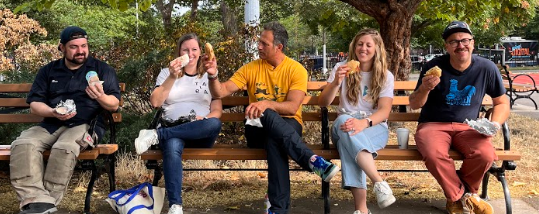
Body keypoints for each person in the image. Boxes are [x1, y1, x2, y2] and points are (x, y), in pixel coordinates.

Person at [203, 21, 340, 214]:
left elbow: (293, 107)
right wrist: (213, 74)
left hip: (289, 125)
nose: (258, 46)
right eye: (259, 42)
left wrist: (266, 104)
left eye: (264, 43)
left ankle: (278, 210)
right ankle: (310, 160)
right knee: (268, 123)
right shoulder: (251, 68)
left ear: (279, 47)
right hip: (255, 129)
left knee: (274, 139)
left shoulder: (296, 69)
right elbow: (221, 91)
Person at [9, 26, 121, 214]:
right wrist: (53, 112)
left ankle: (46, 204)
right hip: (51, 123)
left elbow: (114, 104)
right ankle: (36, 201)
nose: (80, 51)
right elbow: (35, 104)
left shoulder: (102, 69)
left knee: (65, 147)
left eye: (84, 46)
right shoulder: (48, 71)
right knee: (23, 144)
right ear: (61, 48)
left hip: (86, 124)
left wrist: (100, 96)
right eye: (74, 47)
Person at [409, 21, 510, 214]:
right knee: (433, 154)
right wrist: (425, 88)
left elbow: (502, 103)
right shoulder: (433, 66)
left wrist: (494, 123)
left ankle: (457, 197)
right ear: (447, 46)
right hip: (433, 125)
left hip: (468, 127)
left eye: (465, 40)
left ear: (472, 43)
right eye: (453, 41)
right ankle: (466, 197)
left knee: (486, 154)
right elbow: (414, 104)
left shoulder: (486, 68)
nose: (460, 45)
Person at [134, 33, 222, 214]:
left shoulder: (208, 73)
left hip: (200, 132)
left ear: (200, 52)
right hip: (173, 128)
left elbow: (217, 108)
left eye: (194, 49)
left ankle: (157, 135)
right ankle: (176, 206)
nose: (190, 53)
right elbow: (156, 102)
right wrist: (172, 77)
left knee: (214, 123)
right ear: (179, 52)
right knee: (173, 144)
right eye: (185, 50)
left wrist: (205, 119)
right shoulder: (167, 73)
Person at [319, 28, 396, 214]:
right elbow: (323, 102)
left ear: (377, 49)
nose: (363, 48)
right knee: (346, 125)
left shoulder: (386, 75)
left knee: (350, 141)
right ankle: (379, 182)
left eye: (369, 45)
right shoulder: (341, 68)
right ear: (354, 46)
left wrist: (364, 123)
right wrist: (336, 82)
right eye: (360, 44)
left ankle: (361, 210)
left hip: (373, 126)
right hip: (344, 122)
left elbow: (384, 111)